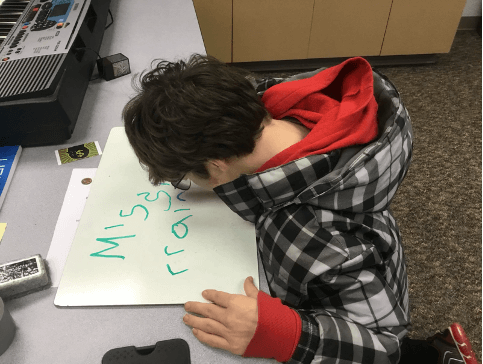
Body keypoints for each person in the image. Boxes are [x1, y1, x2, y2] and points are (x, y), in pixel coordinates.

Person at [122, 54, 479, 364]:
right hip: (367, 272)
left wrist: (286, 334)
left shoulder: (312, 233)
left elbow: (386, 348)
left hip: (353, 323)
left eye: (186, 178)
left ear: (217, 165)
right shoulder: (285, 108)